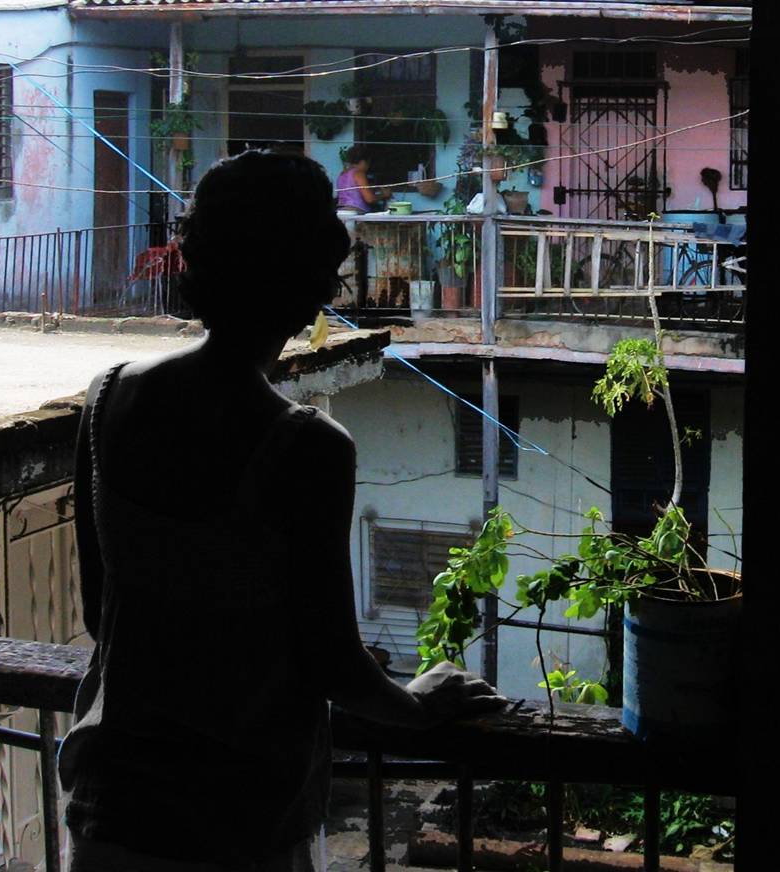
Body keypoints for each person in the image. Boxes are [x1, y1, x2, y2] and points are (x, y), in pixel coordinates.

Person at [59, 149, 505, 872]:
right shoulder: (306, 447)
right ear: (306, 289)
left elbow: (98, 608)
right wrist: (419, 704)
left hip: (114, 809)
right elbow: (336, 667)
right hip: (238, 822)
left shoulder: (109, 397)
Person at [335, 144, 383, 214]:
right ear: (363, 162)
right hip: (356, 212)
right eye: (368, 163)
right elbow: (369, 199)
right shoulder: (359, 173)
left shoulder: (342, 174)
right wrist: (383, 195)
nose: (368, 167)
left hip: (341, 212)